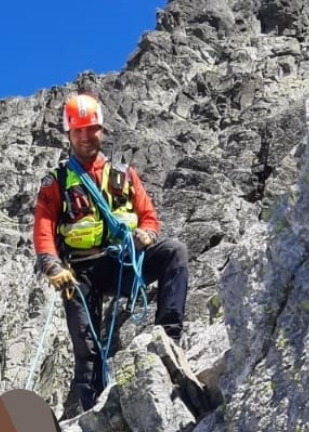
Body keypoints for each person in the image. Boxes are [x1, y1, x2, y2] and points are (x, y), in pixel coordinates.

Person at [33, 92, 191, 411]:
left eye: (91, 129)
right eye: (78, 130)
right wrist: (52, 266)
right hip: (80, 271)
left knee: (174, 252)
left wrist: (146, 235)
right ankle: (92, 411)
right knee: (87, 348)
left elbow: (149, 217)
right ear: (69, 135)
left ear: (102, 130)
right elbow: (44, 229)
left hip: (123, 261)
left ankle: (167, 341)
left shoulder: (124, 175)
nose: (86, 136)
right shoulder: (57, 182)